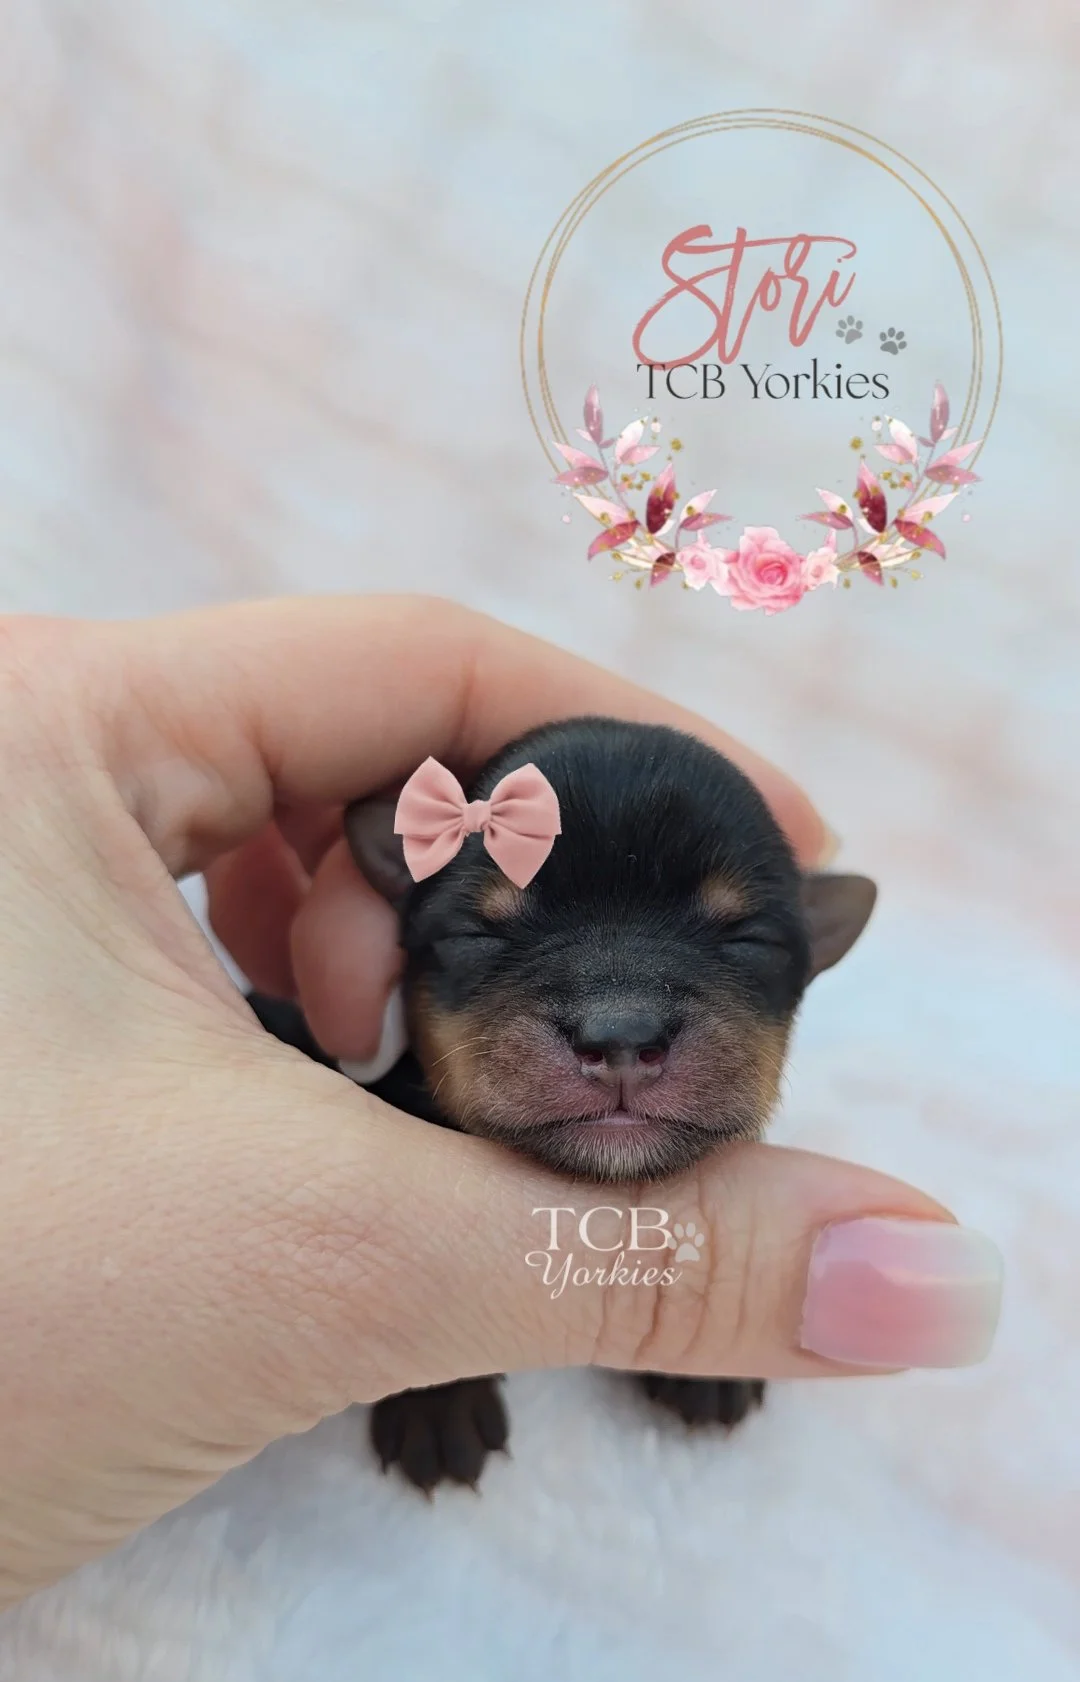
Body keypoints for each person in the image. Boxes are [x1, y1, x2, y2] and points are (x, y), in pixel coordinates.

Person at [0, 595, 1003, 1606]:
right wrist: (427, 1355)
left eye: (739, 941)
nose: (619, 1032)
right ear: (407, 924)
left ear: (817, 944)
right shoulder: (334, 1104)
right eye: (490, 935)